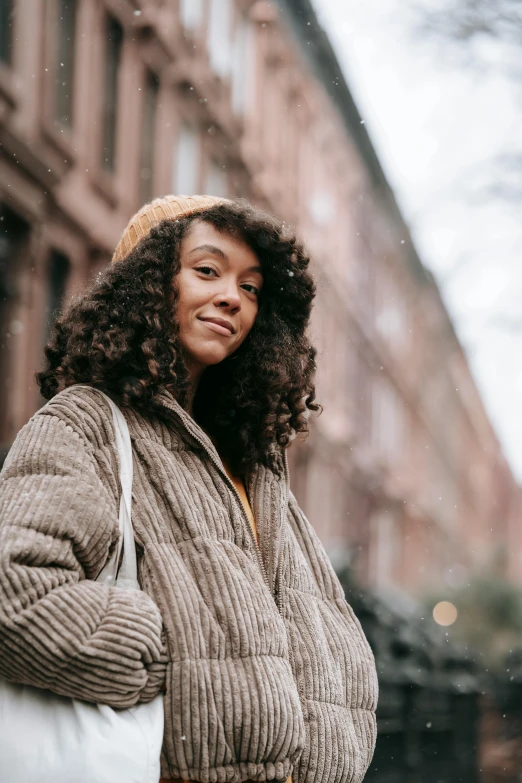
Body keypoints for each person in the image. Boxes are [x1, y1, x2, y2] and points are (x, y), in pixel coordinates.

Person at [0, 195, 378, 782]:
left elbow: (313, 632)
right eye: (207, 270)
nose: (233, 296)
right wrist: (172, 660)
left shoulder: (257, 465)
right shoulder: (86, 426)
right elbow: (15, 593)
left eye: (252, 288)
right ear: (149, 285)